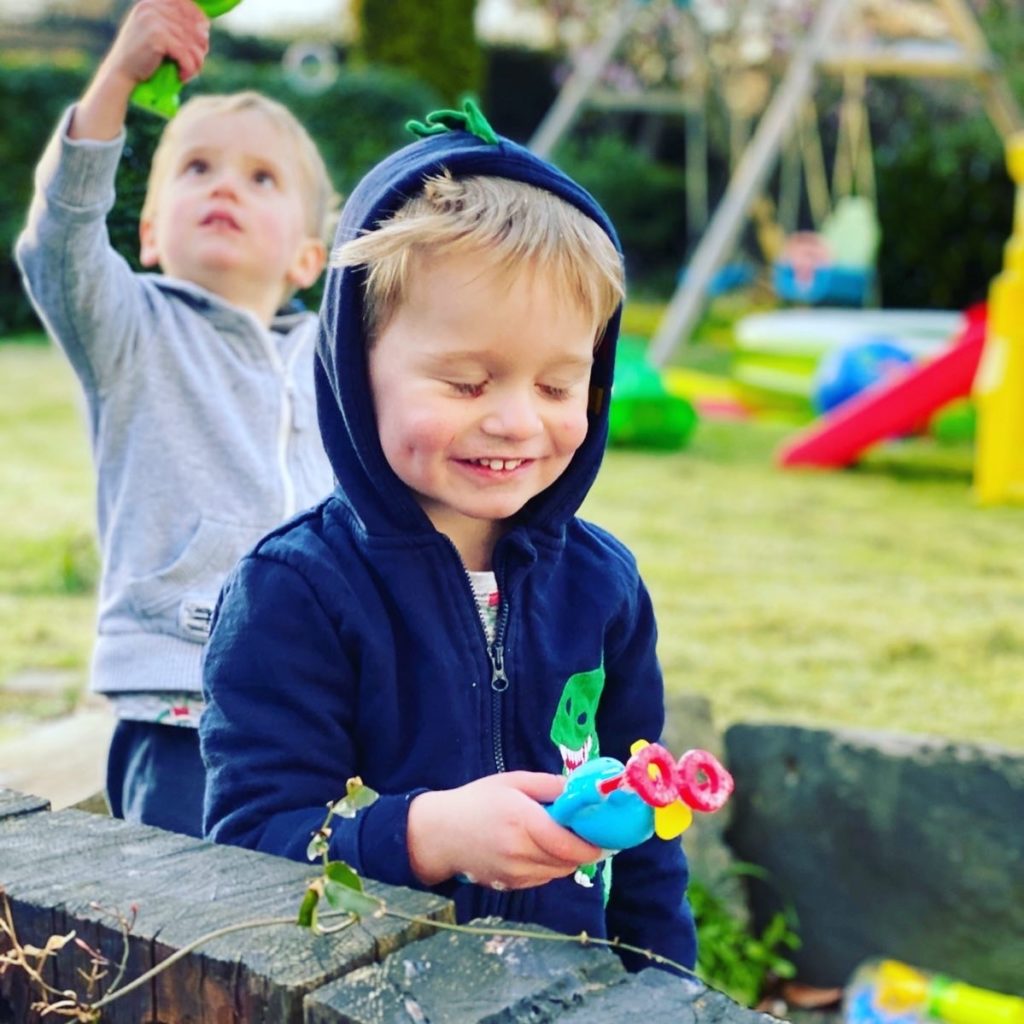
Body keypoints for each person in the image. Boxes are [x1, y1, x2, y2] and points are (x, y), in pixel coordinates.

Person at [201, 103, 697, 970]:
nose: (514, 421)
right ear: (358, 370)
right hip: (365, 992)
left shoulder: (604, 586)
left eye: (556, 387)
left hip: (566, 988)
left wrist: (666, 985)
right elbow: (248, 848)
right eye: (467, 383)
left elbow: (648, 836)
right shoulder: (295, 592)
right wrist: (427, 835)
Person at [15, 0, 336, 838]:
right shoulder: (129, 326)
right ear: (151, 232)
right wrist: (120, 76)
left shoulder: (331, 359)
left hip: (316, 710)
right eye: (196, 168)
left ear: (309, 255)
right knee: (180, 934)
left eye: (261, 179)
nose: (224, 184)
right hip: (179, 700)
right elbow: (60, 240)